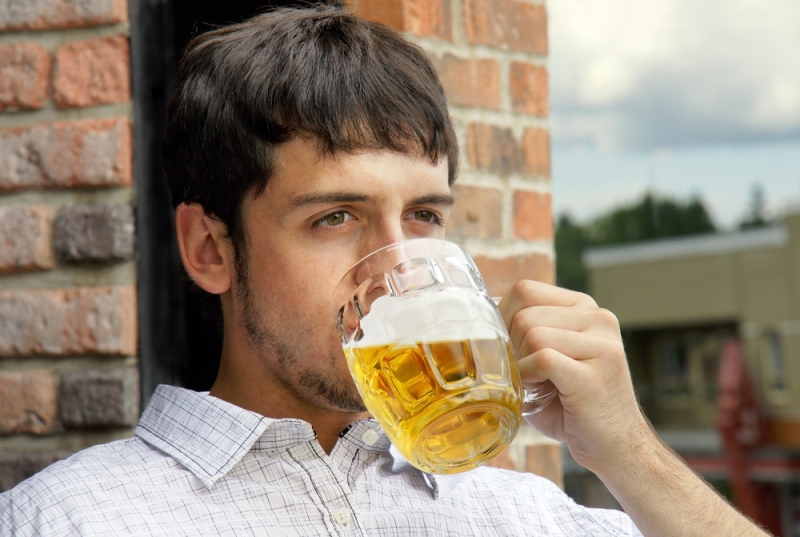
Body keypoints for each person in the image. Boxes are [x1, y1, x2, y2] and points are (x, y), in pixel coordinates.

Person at [0, 4, 769, 536]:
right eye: (336, 218)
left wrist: (628, 452)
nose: (399, 271)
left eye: (425, 217)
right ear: (210, 248)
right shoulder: (68, 518)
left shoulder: (523, 514)